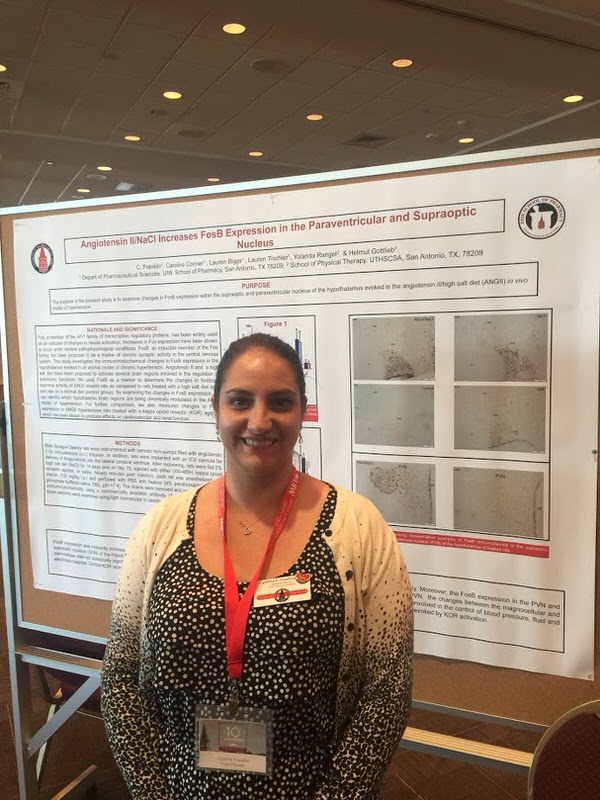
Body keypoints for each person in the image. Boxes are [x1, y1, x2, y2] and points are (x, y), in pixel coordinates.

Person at [101, 333, 413, 799]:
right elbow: (121, 678)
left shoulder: (357, 528)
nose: (260, 420)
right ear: (216, 409)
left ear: (302, 411)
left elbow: (386, 692)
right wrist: (154, 794)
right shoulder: (161, 527)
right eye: (240, 401)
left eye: (280, 402)